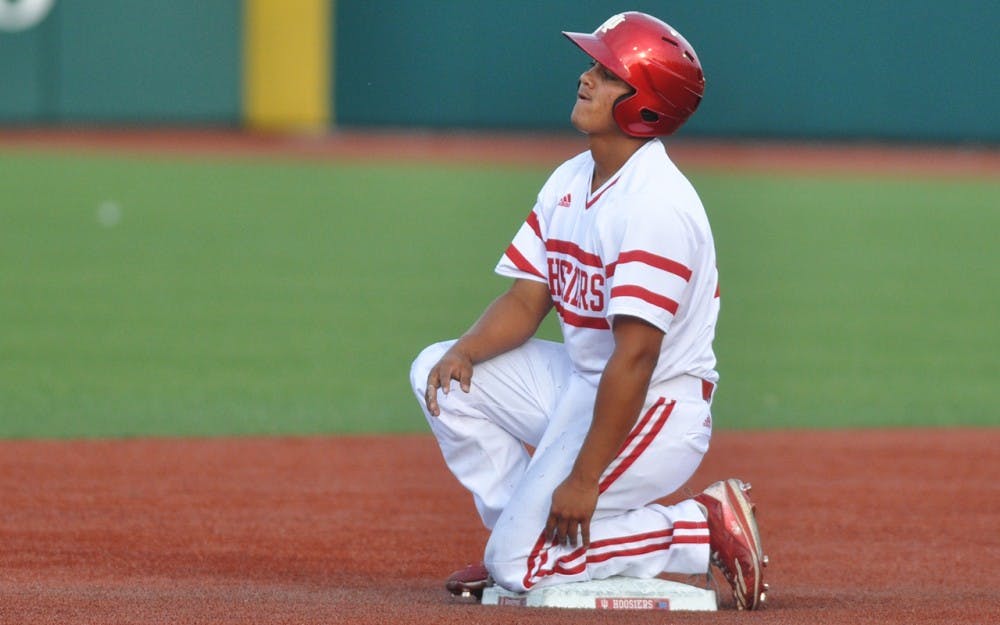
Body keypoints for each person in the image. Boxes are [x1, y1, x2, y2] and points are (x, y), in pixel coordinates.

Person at [409, 11, 767, 610]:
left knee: (517, 566)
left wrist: (586, 479)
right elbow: (527, 300)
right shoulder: (572, 178)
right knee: (435, 372)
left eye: (607, 73)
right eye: (594, 65)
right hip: (583, 386)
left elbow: (636, 357)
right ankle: (523, 540)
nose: (586, 78)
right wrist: (465, 351)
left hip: (654, 405)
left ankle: (698, 528)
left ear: (644, 104)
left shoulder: (656, 206)